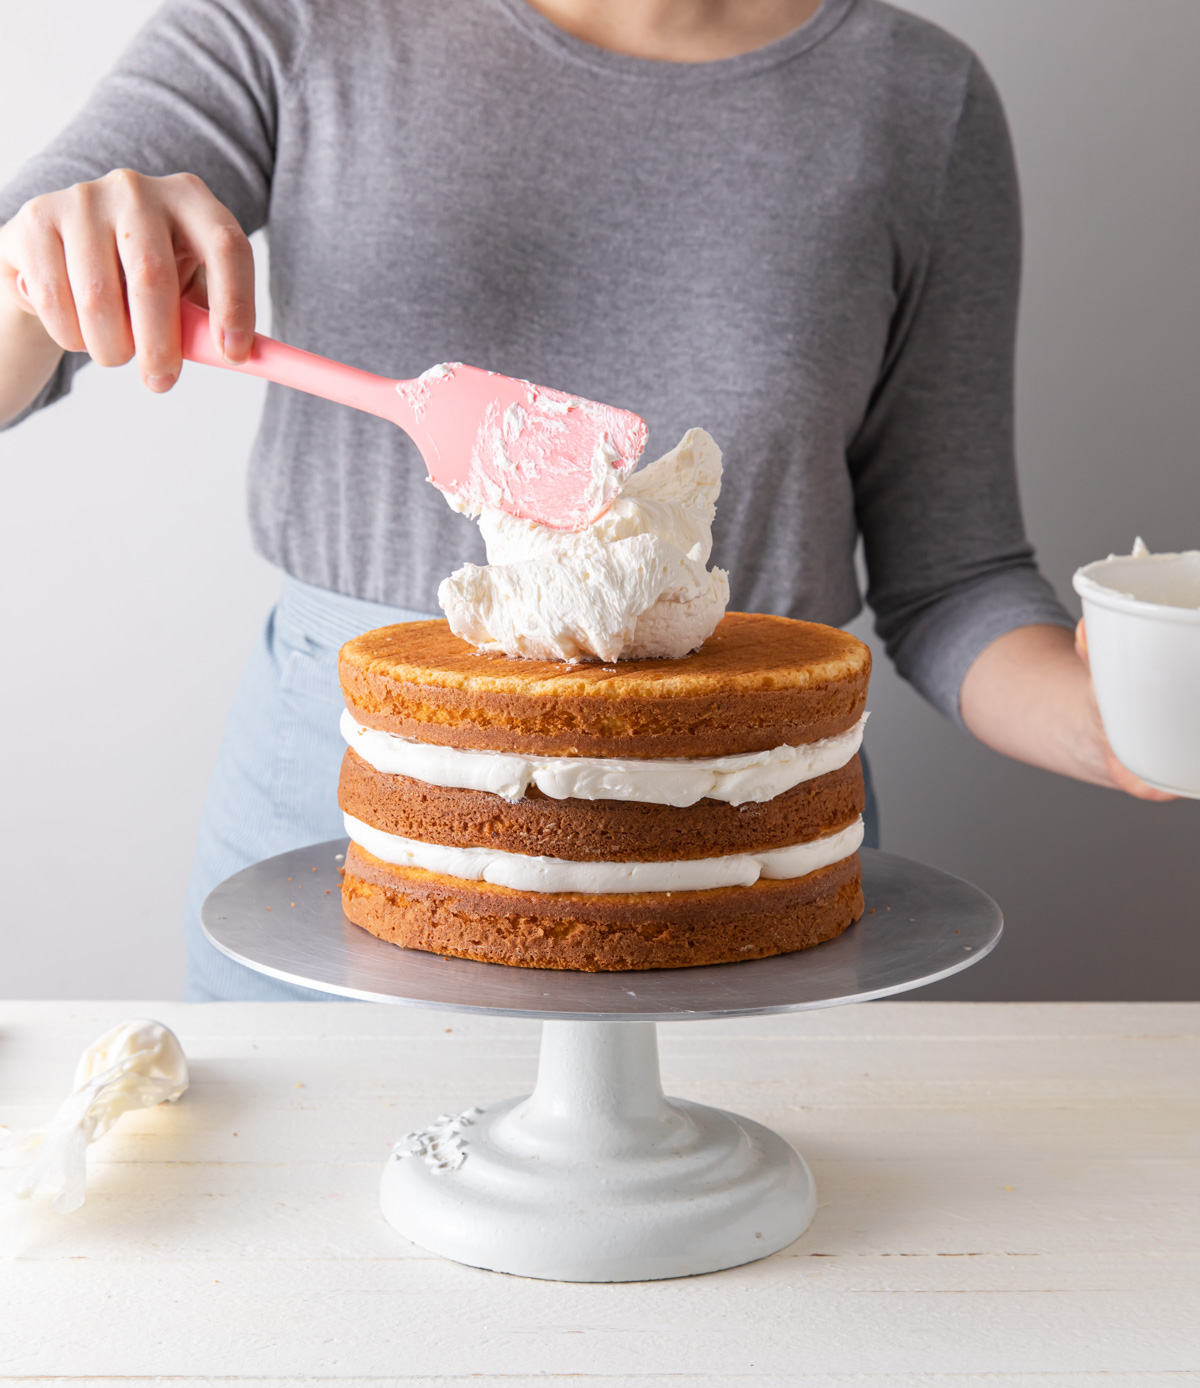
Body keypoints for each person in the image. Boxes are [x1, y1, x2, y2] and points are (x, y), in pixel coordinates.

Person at [0, 0, 1170, 1001]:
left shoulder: (918, 100)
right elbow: (20, 326)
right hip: (335, 817)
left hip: (739, 832)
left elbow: (951, 577)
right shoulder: (306, 21)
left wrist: (1122, 719)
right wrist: (41, 269)